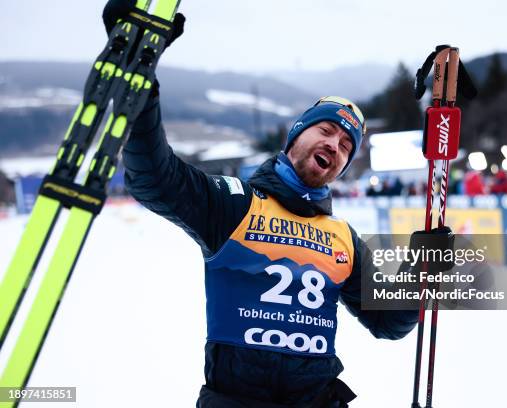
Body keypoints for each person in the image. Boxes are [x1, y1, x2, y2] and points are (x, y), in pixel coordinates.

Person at [104, 1, 452, 406]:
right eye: (326, 130)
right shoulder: (234, 203)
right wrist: (141, 83)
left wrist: (419, 270)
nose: (334, 146)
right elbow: (154, 179)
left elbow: (388, 322)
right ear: (295, 136)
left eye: (345, 146)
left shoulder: (343, 239)